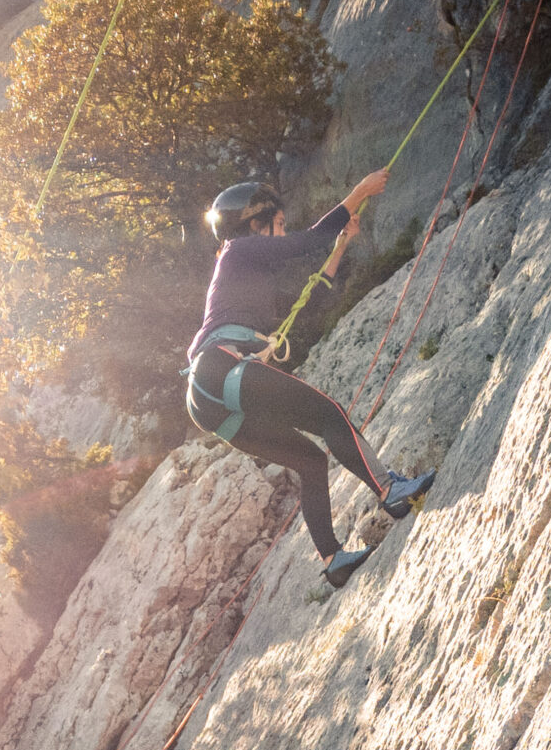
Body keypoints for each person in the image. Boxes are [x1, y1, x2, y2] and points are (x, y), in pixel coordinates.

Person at [186, 172, 436, 588]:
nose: (282, 234)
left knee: (310, 460)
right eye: (278, 224)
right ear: (255, 225)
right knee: (329, 415)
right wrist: (358, 193)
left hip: (207, 398)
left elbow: (311, 300)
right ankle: (390, 490)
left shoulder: (247, 279)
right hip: (219, 367)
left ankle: (334, 558)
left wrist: (340, 248)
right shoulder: (236, 251)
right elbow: (306, 242)